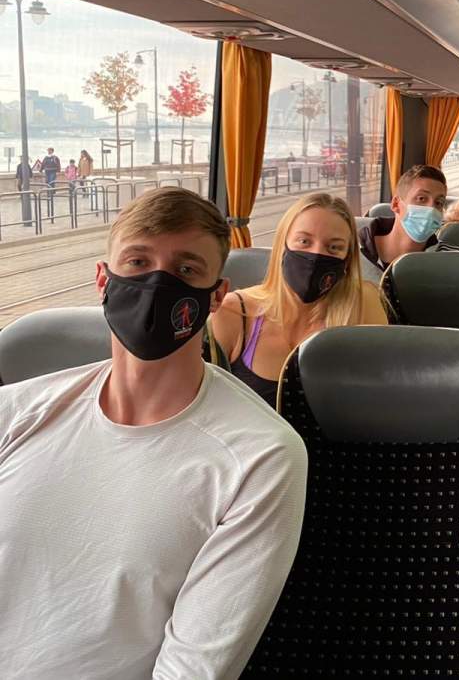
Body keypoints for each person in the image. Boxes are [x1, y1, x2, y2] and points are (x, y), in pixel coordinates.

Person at [0, 187, 307, 679]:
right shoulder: (16, 412)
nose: (157, 283)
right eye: (138, 262)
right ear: (103, 279)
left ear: (217, 296)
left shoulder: (260, 457)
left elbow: (194, 667)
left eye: (185, 270)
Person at [211, 192, 389, 405]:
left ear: (347, 260)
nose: (316, 255)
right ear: (282, 245)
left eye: (334, 247)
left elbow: (380, 398)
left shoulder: (363, 304)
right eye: (304, 241)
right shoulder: (233, 312)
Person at [358, 164, 449, 270]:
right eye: (421, 198)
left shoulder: (451, 258)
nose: (431, 209)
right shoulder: (353, 251)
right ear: (396, 204)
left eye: (438, 203)